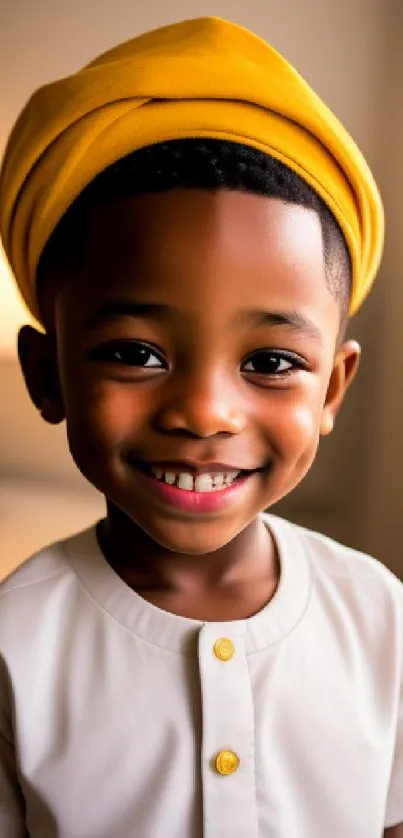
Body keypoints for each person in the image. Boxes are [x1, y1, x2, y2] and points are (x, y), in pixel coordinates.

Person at [0, 15, 401, 838]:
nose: (204, 413)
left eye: (271, 363)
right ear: (48, 375)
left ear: (332, 387)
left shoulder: (382, 622)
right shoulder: (13, 646)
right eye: (136, 352)